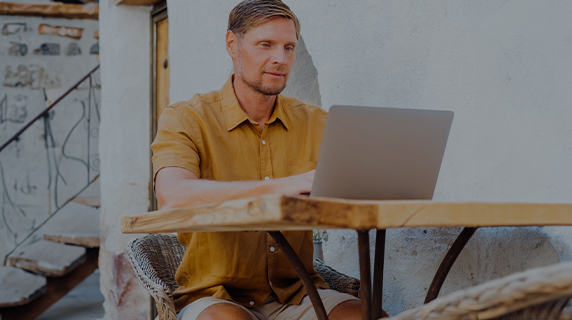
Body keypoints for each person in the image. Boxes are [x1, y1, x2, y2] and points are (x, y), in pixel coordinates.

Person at [152, 1, 381, 319]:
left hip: (299, 293)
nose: (281, 58)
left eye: (289, 47)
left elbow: (357, 193)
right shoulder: (187, 118)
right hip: (215, 295)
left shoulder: (319, 123)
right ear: (232, 44)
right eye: (266, 45)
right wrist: (283, 187)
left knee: (371, 317)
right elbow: (173, 196)